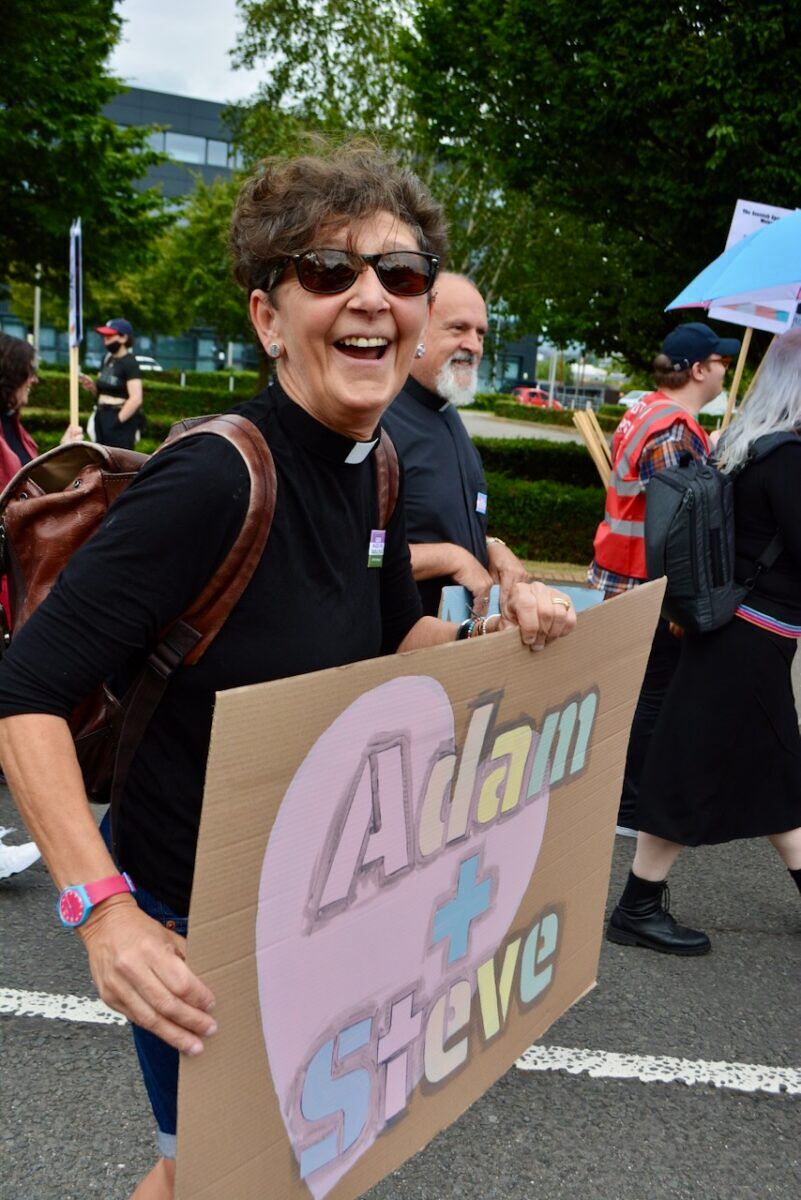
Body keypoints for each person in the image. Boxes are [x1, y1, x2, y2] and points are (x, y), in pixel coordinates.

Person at [0, 146, 576, 1200]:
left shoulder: (377, 466)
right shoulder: (214, 476)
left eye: (400, 274)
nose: (372, 296)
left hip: (315, 895)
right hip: (194, 914)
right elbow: (23, 691)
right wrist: (106, 913)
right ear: (269, 317)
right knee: (231, 1178)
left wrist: (513, 635)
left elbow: (394, 646)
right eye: (329, 271)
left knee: (224, 1174)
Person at [606, 328, 801, 955]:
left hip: (739, 633)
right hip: (751, 638)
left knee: (772, 775)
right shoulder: (787, 457)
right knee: (702, 771)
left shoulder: (747, 446)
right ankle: (636, 907)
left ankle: (638, 905)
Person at [588, 322, 740, 837]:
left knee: (640, 692)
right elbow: (679, 525)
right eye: (720, 362)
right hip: (649, 586)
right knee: (653, 696)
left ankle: (624, 801)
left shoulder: (648, 411)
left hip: (625, 574)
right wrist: (679, 602)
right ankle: (629, 808)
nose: (724, 370)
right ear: (697, 370)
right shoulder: (675, 430)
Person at [382, 272, 530, 616]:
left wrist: (492, 546)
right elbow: (355, 552)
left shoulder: (448, 413)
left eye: (480, 333)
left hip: (457, 634)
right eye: (458, 329)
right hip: (398, 641)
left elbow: (442, 523)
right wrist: (452, 558)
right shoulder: (377, 422)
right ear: (417, 327)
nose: (474, 346)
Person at [0, 332, 81, 874]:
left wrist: (62, 453)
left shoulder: (14, 427)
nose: (34, 379)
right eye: (28, 370)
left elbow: (29, 486)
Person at [80, 318, 144, 449]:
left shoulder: (130, 363)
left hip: (119, 418)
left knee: (118, 458)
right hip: (101, 415)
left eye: (109, 336)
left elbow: (136, 398)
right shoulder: (106, 359)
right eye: (104, 336)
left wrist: (117, 421)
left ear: (123, 338)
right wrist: (92, 387)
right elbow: (101, 392)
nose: (105, 340)